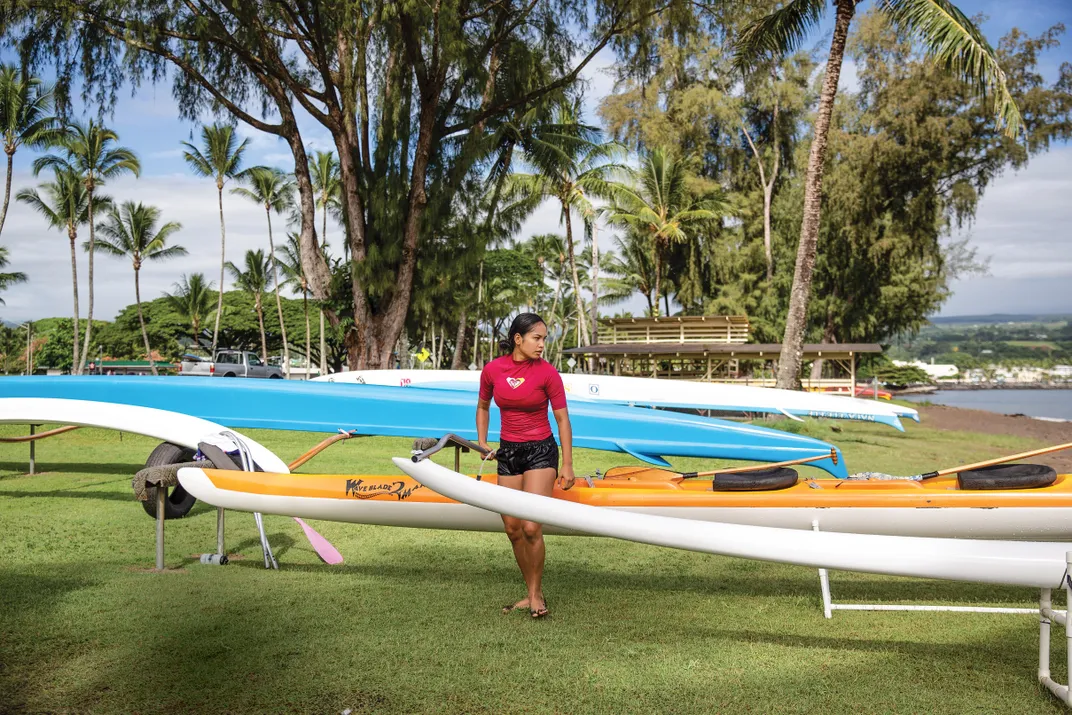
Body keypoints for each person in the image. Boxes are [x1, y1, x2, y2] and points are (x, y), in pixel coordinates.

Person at [476, 312, 575, 619]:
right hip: (508, 452)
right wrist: (482, 441)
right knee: (513, 529)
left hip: (540, 451)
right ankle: (531, 590)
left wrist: (568, 464)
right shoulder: (493, 370)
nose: (542, 344)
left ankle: (535, 594)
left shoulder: (547, 373)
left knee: (532, 526)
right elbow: (482, 406)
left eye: (544, 338)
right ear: (518, 339)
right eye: (537, 338)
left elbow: (562, 419)